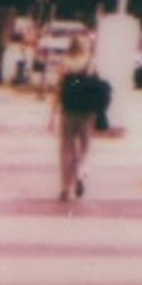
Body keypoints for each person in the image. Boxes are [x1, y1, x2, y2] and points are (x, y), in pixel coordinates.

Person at [56, 40, 110, 204]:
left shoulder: (64, 63)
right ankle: (80, 172)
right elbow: (98, 87)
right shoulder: (90, 62)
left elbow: (59, 89)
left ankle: (66, 188)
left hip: (68, 109)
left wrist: (52, 116)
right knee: (85, 146)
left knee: (66, 147)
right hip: (87, 111)